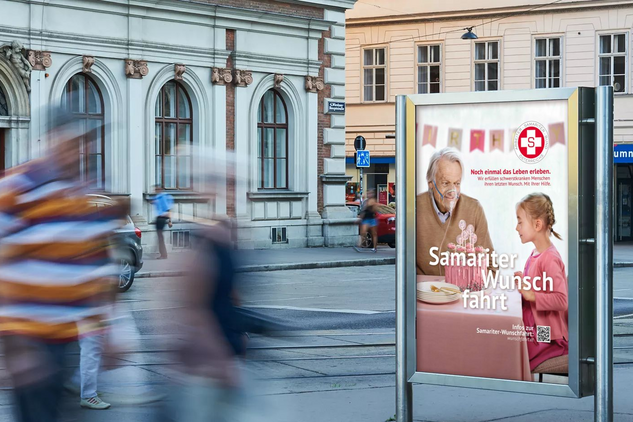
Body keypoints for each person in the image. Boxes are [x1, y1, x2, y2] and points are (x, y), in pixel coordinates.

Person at [0, 107, 122, 421]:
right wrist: (16, 348)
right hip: (29, 341)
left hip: (64, 342)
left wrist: (109, 332)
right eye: (70, 143)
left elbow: (97, 272)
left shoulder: (78, 198)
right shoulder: (17, 187)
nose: (77, 152)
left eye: (81, 144)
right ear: (50, 140)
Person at [416, 147, 495, 275]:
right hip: (424, 293)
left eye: (457, 183)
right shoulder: (414, 208)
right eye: (445, 183)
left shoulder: (473, 209)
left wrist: (471, 282)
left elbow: (491, 266)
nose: (452, 191)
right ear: (431, 182)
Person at [514, 193, 568, 372]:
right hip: (535, 329)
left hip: (547, 336)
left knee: (512, 355)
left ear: (537, 224)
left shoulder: (550, 258)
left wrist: (530, 295)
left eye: (520, 221)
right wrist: (523, 282)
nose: (517, 227)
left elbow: (561, 300)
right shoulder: (535, 254)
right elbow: (538, 287)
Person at [152, 185, 174, 260]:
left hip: (162, 218)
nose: (155, 190)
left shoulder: (163, 197)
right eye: (155, 189)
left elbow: (168, 209)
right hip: (159, 218)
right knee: (159, 237)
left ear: (161, 189)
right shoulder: (157, 197)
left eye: (157, 189)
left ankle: (163, 255)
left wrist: (170, 221)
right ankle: (162, 254)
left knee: (160, 237)